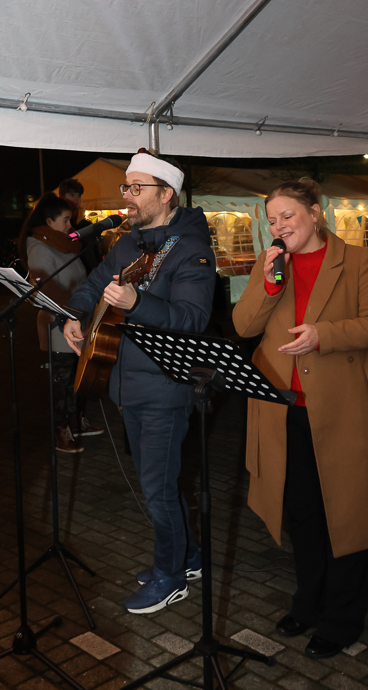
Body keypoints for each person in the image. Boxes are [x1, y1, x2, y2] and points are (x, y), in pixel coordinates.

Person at [232, 179, 368, 659]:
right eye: (272, 219)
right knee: (303, 514)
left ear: (315, 213)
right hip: (284, 410)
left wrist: (323, 336)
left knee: (348, 514)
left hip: (342, 412)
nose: (279, 226)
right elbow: (244, 326)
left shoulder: (357, 261)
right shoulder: (271, 263)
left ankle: (341, 619)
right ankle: (308, 603)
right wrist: (269, 284)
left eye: (288, 215)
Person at [63, 149, 216, 614]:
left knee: (158, 489)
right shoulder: (127, 243)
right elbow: (94, 284)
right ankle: (189, 557)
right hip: (126, 384)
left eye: (136, 187)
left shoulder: (191, 250)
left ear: (166, 194)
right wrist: (75, 313)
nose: (127, 196)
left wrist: (136, 303)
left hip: (164, 390)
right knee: (159, 485)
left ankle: (170, 577)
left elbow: (192, 319)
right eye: (126, 187)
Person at [17, 192, 103, 453]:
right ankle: (60, 429)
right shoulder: (40, 248)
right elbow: (47, 291)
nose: (70, 225)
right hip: (58, 325)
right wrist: (77, 304)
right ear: (49, 220)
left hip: (77, 321)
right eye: (65, 220)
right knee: (61, 381)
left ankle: (75, 421)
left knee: (75, 378)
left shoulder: (64, 245)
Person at [59, 178, 101, 272]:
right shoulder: (60, 223)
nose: (76, 199)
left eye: (78, 196)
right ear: (62, 197)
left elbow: (94, 252)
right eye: (72, 195)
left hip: (91, 272)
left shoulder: (84, 223)